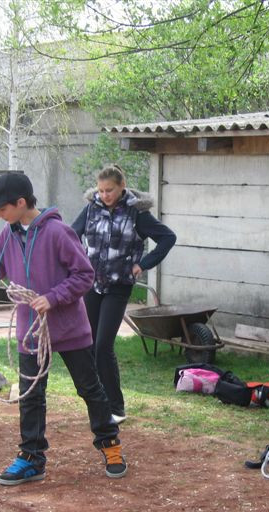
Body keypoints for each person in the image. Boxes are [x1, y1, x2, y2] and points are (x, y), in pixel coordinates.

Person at [0, 172, 127, 483]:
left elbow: (84, 275)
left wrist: (52, 298)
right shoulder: (8, 236)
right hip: (31, 332)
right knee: (31, 395)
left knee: (90, 389)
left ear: (20, 203)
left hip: (69, 330)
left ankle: (110, 444)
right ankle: (31, 457)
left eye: (2, 208)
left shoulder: (58, 232)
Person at [71, 165, 176, 423]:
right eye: (101, 190)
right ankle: (98, 402)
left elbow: (167, 238)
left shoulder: (136, 212)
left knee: (104, 345)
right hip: (91, 285)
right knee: (89, 344)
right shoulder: (91, 209)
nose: (105, 195)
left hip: (119, 286)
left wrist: (144, 263)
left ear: (121, 187)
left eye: (110, 190)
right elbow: (71, 235)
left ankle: (116, 408)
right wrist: (77, 262)